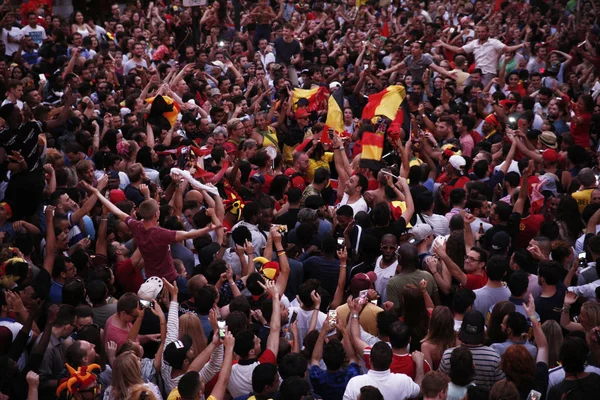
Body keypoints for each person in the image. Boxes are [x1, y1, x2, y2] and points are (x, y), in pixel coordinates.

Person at [438, 310, 505, 390]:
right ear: (483, 332)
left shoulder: (448, 355)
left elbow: (439, 385)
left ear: (461, 329)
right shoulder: (494, 357)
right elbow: (501, 387)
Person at [342, 341, 422, 400]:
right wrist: (419, 363)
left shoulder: (354, 383)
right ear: (391, 361)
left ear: (370, 361)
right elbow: (420, 391)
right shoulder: (403, 381)